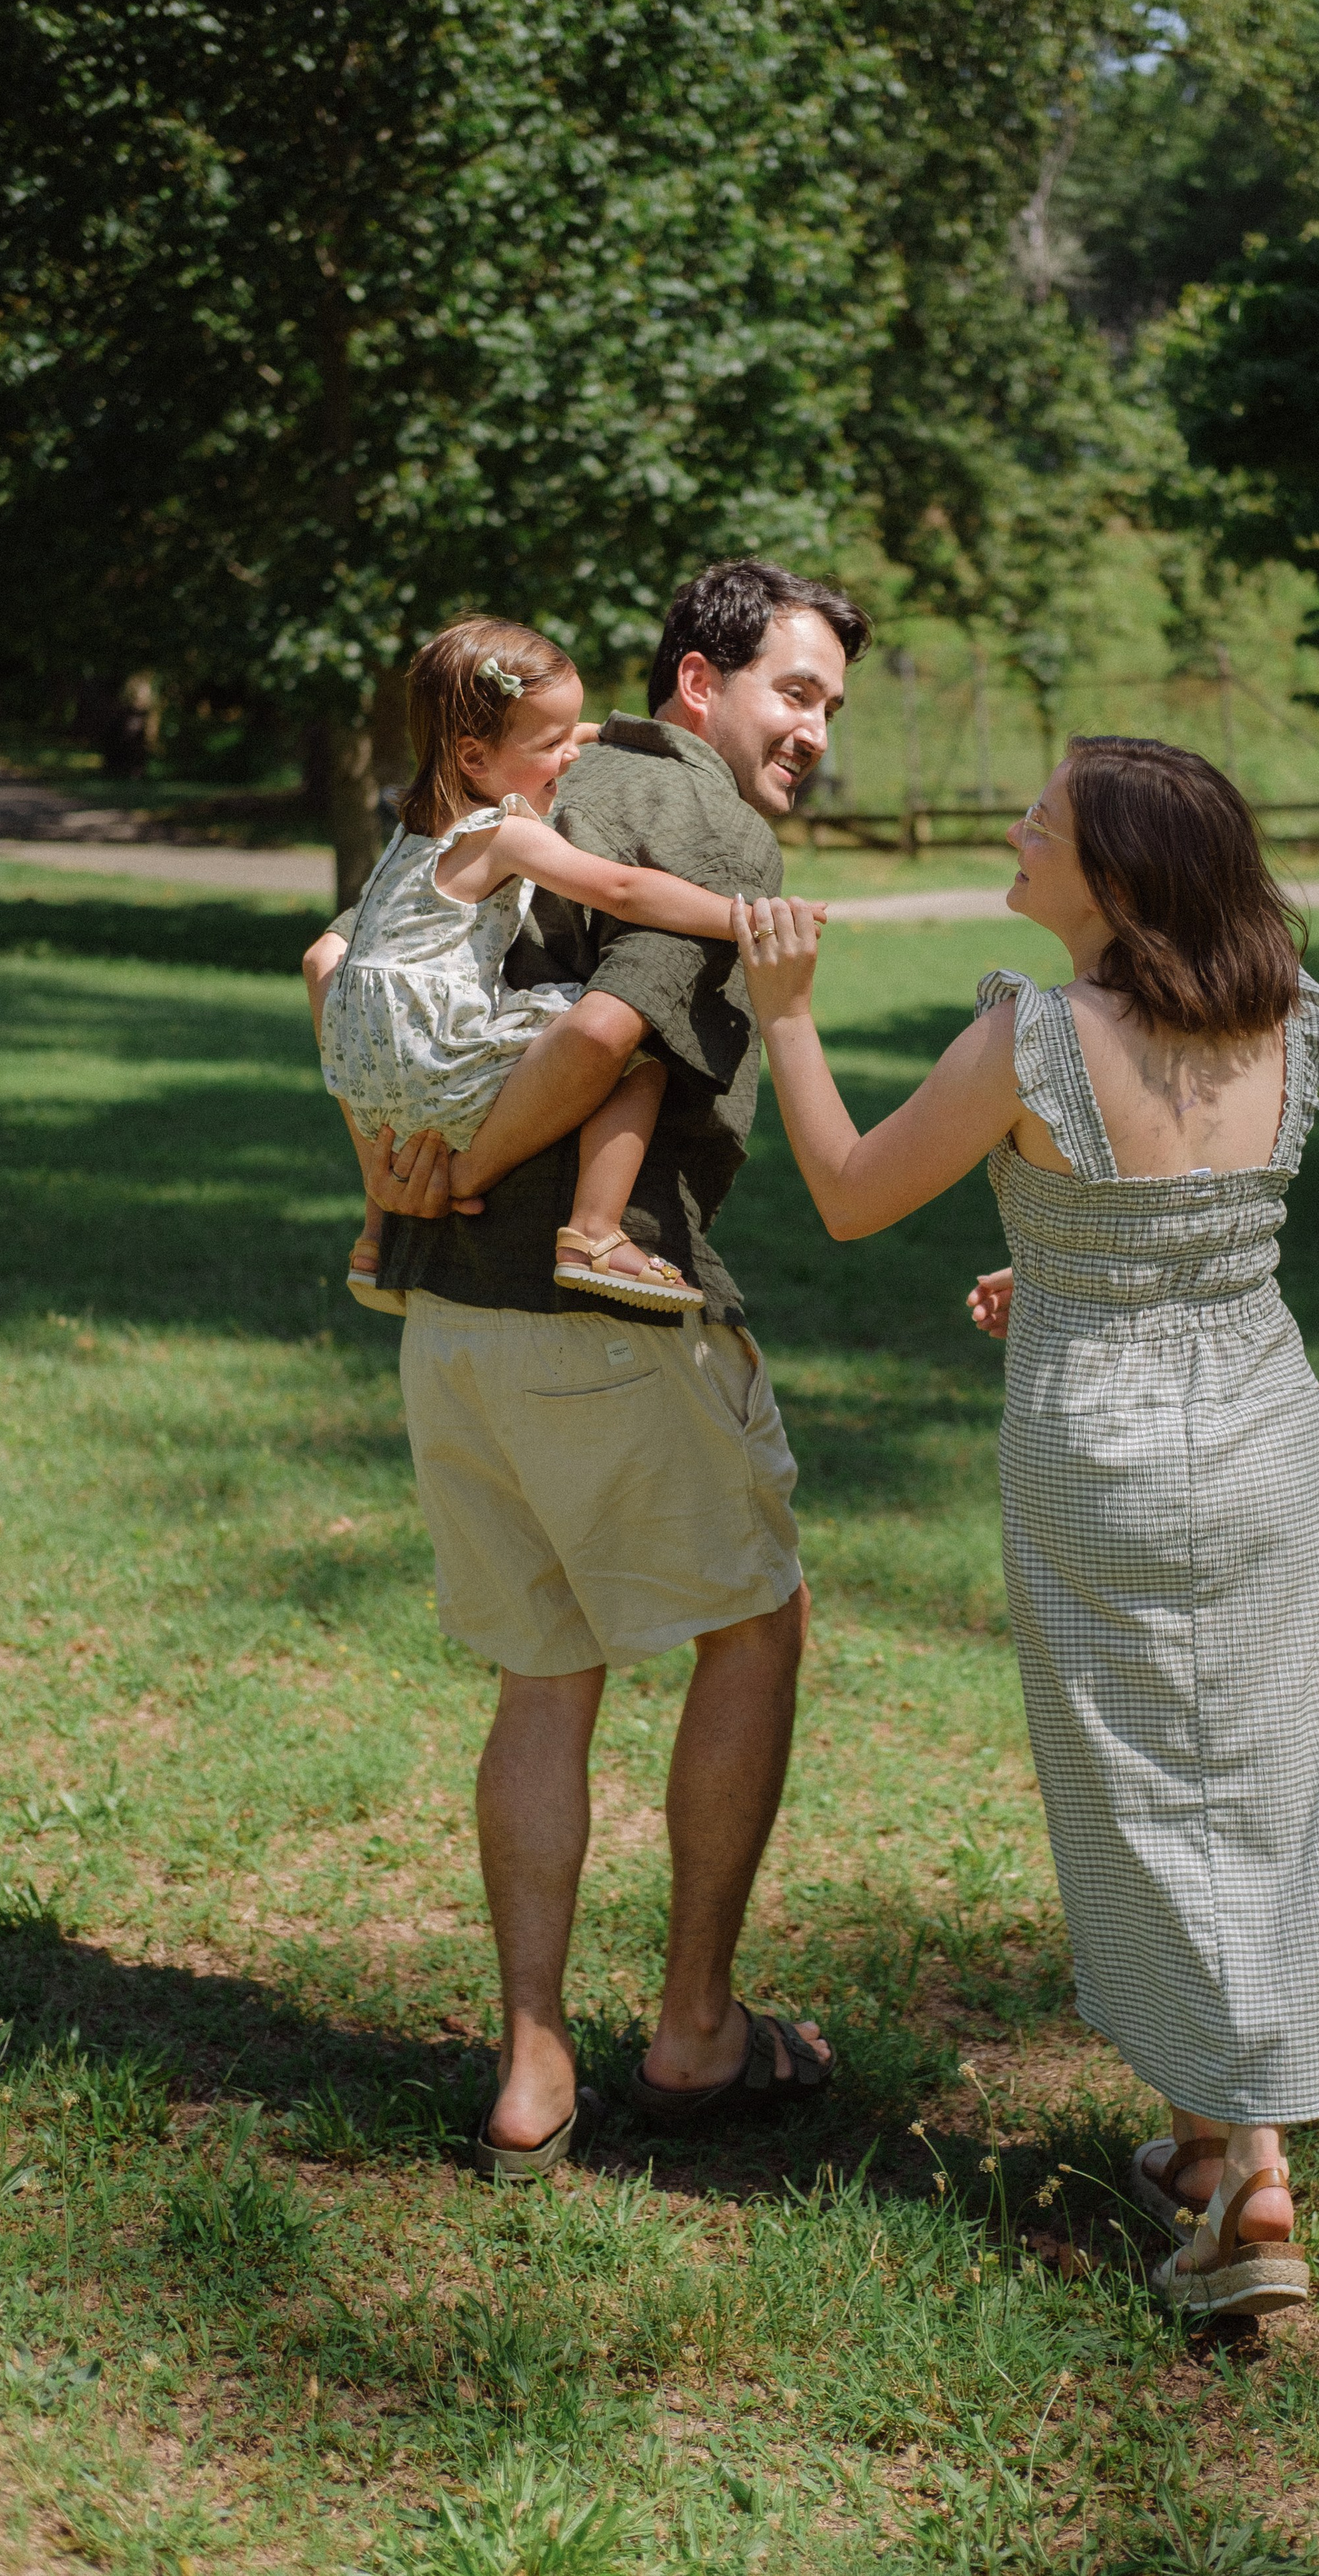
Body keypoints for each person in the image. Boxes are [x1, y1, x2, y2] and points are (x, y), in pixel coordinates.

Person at [733, 736, 1319, 2317]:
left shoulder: (1034, 1036)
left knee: (1146, 1789)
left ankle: (1252, 2181)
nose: (1016, 831)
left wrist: (787, 1020)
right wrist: (1061, 1271)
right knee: (1265, 1787)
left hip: (1107, 1457)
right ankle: (1212, 2145)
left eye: (1045, 823)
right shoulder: (1291, 1018)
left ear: (1119, 879)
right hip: (1268, 1440)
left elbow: (853, 1192)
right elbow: (1189, 1227)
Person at [301, 560, 870, 2175]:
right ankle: (694, 2028)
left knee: (544, 1671)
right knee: (754, 1622)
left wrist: (394, 1175)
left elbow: (350, 966)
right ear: (697, 679)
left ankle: (532, 2068)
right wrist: (472, 1158)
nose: (813, 730)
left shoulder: (500, 776)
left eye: (830, 703)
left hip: (445, 1327)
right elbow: (614, 1029)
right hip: (599, 1322)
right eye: (795, 690)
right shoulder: (687, 811)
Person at [315, 615, 820, 1318]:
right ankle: (594, 1232)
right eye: (553, 742)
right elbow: (623, 889)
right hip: (442, 1064)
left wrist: (568, 737)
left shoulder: (412, 829)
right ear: (473, 757)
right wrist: (743, 916)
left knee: (327, 960)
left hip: (367, 1082)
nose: (573, 756)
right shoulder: (506, 832)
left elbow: (323, 960)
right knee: (635, 1045)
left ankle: (374, 1235)